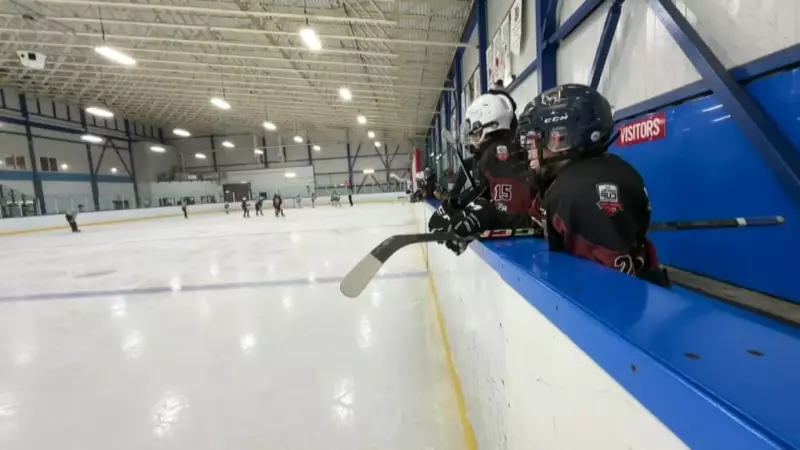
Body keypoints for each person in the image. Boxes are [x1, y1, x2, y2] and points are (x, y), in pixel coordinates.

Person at [448, 84, 669, 287]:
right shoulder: (570, 180)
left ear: (560, 139)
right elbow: (539, 223)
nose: (528, 150)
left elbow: (614, 290)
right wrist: (489, 215)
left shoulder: (581, 190)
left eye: (534, 140)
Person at [428, 92, 532, 254]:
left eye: (474, 131)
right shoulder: (494, 154)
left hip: (525, 252)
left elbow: (510, 213)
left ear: (489, 126)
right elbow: (483, 193)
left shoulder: (496, 154)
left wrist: (476, 217)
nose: (470, 136)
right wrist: (452, 208)